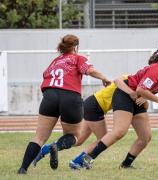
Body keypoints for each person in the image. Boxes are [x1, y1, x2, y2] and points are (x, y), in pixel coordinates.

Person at [17, 34, 112, 174]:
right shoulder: (78, 58)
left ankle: (23, 168)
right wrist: (105, 78)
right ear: (76, 47)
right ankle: (55, 146)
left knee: (39, 137)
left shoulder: (55, 61)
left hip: (50, 96)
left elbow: (45, 75)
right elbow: (90, 70)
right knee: (74, 135)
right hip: (70, 96)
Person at [81, 46, 158, 169]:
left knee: (145, 137)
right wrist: (157, 100)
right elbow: (141, 89)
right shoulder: (155, 70)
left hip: (138, 99)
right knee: (120, 131)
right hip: (125, 94)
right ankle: (89, 157)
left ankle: (126, 165)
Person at [32, 76, 148, 170]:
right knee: (102, 138)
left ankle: (45, 150)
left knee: (78, 140)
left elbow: (143, 105)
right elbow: (117, 82)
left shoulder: (137, 87)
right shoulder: (129, 79)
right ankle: (77, 161)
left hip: (91, 104)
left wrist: (144, 99)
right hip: (94, 106)